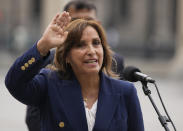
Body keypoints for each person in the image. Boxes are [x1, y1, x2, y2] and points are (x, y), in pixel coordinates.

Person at [5, 11, 144, 131]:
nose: (91, 51)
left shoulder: (126, 91)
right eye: (80, 45)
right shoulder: (49, 84)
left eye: (96, 43)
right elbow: (14, 82)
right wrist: (43, 46)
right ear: (66, 56)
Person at [25, 1, 125, 131]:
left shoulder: (116, 62)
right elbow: (34, 115)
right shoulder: (48, 60)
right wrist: (42, 46)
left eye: (88, 20)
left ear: (98, 24)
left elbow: (122, 113)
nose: (83, 26)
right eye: (76, 20)